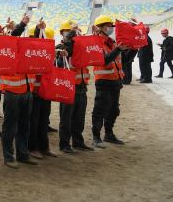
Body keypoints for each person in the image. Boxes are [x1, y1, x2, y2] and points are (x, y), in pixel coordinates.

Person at [0, 14, 41, 169]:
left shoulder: (26, 47)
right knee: (10, 126)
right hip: (12, 91)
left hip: (26, 91)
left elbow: (38, 44)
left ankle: (23, 154)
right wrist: (22, 24)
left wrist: (38, 29)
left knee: (25, 125)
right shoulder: (8, 45)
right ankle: (8, 156)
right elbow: (15, 34)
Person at [90, 15, 137, 148]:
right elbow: (104, 60)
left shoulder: (114, 42)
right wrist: (118, 49)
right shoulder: (96, 43)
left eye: (111, 25)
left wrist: (135, 48)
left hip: (116, 82)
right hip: (103, 82)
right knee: (100, 110)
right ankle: (96, 137)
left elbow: (125, 60)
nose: (110, 28)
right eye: (107, 25)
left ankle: (109, 134)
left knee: (113, 110)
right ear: (99, 28)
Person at [56, 22, 95, 154]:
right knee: (66, 119)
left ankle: (78, 142)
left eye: (72, 30)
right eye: (67, 31)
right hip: (68, 88)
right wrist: (72, 35)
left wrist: (95, 34)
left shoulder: (81, 45)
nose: (70, 32)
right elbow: (69, 49)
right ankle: (64, 144)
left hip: (81, 87)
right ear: (62, 33)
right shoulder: (61, 47)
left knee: (79, 118)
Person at [28, 24, 58, 159]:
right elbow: (36, 43)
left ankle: (44, 146)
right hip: (34, 92)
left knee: (44, 120)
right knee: (33, 121)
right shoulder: (32, 52)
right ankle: (32, 147)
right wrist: (38, 30)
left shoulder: (49, 52)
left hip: (45, 92)